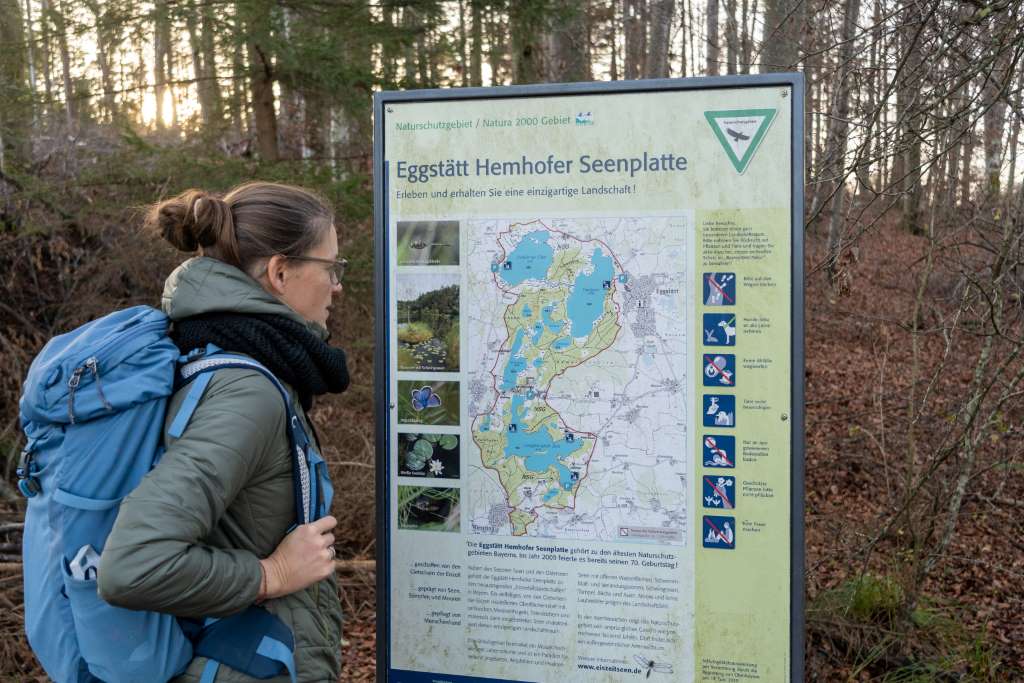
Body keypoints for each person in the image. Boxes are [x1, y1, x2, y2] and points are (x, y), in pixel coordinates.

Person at [97, 181, 351, 682]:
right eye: (331, 268)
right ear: (280, 272)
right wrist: (271, 575)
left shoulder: (221, 351)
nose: (338, 285)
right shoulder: (246, 392)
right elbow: (132, 565)